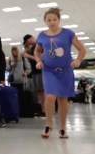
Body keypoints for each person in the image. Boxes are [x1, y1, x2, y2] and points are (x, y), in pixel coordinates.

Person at [34, 8, 85, 139]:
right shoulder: (42, 35)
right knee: (50, 96)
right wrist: (39, 60)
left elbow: (81, 49)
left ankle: (62, 128)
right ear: (45, 21)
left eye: (54, 19)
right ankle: (48, 124)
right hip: (49, 70)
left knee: (63, 99)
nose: (52, 22)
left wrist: (78, 60)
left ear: (59, 20)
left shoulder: (68, 33)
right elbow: (37, 51)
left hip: (65, 70)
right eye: (49, 20)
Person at [23, 34, 45, 116]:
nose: (27, 44)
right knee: (39, 91)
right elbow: (33, 60)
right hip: (35, 71)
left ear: (30, 39)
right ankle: (43, 109)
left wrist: (28, 55)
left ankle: (46, 110)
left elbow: (41, 58)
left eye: (27, 41)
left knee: (42, 91)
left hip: (40, 71)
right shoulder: (32, 47)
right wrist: (28, 55)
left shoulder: (39, 45)